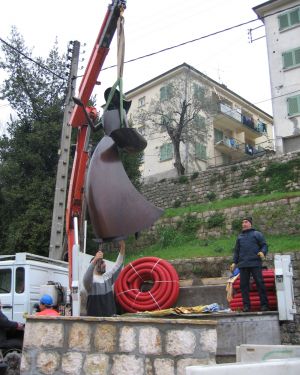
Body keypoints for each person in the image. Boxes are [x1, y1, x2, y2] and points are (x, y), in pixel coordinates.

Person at [230, 217, 269, 312]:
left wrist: (263, 252)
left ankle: (264, 305)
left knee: (260, 284)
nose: (244, 224)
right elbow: (237, 251)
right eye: (242, 222)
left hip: (255, 263)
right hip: (243, 264)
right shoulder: (239, 237)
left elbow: (264, 245)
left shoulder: (257, 234)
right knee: (244, 286)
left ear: (250, 224)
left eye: (246, 222)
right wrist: (234, 262)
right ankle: (246, 306)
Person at [83, 240, 125, 317]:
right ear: (94, 265)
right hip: (94, 323)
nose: (105, 264)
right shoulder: (90, 282)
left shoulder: (107, 278)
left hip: (110, 320)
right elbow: (86, 278)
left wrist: (122, 248)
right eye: (101, 262)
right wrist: (95, 259)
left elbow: (118, 265)